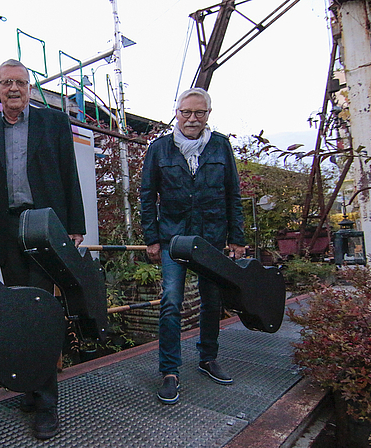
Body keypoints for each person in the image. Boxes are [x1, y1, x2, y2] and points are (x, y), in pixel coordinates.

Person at [0, 58, 86, 447]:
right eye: (6, 83)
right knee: (17, 311)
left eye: (20, 83)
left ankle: (47, 406)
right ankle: (30, 391)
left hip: (44, 226)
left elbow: (69, 174)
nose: (13, 89)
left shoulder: (53, 123)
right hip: (6, 231)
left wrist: (75, 226)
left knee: (40, 311)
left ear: (30, 88)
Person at [140, 87, 246, 405]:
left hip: (211, 238)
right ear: (176, 113)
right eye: (186, 112)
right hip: (173, 239)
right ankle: (170, 371)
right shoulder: (160, 148)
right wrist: (152, 238)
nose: (192, 118)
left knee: (211, 300)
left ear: (208, 115)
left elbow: (233, 195)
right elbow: (147, 197)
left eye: (199, 113)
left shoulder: (221, 146)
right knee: (171, 302)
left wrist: (237, 238)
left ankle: (208, 358)